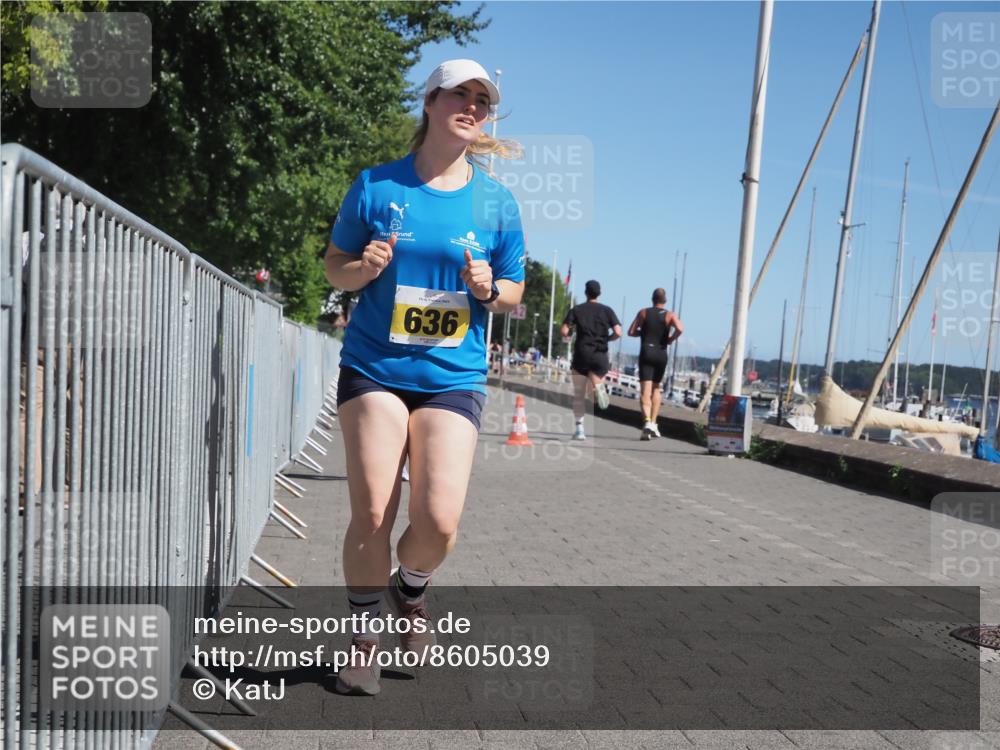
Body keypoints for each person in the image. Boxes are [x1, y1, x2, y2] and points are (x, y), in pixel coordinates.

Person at [323, 59, 525, 696]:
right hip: (375, 367)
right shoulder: (377, 186)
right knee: (374, 509)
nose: (472, 107)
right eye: (460, 95)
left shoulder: (496, 201)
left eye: (482, 101)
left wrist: (491, 290)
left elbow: (514, 291)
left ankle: (410, 591)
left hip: (451, 374)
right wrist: (366, 267)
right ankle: (362, 639)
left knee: (438, 520)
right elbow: (335, 269)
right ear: (431, 102)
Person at [560, 280, 622, 440]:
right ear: (599, 293)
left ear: (585, 292)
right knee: (594, 388)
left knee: (579, 393)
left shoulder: (577, 310)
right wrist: (608, 338)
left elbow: (564, 330)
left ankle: (579, 429)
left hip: (582, 353)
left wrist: (570, 333)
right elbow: (618, 331)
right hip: (600, 354)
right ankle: (599, 387)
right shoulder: (607, 310)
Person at [627, 288, 683, 440]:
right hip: (661, 353)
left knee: (645, 390)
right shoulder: (670, 315)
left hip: (646, 352)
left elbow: (631, 332)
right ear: (665, 301)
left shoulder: (643, 313)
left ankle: (646, 423)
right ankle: (653, 423)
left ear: (652, 299)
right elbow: (680, 328)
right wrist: (670, 339)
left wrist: (644, 332)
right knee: (656, 387)